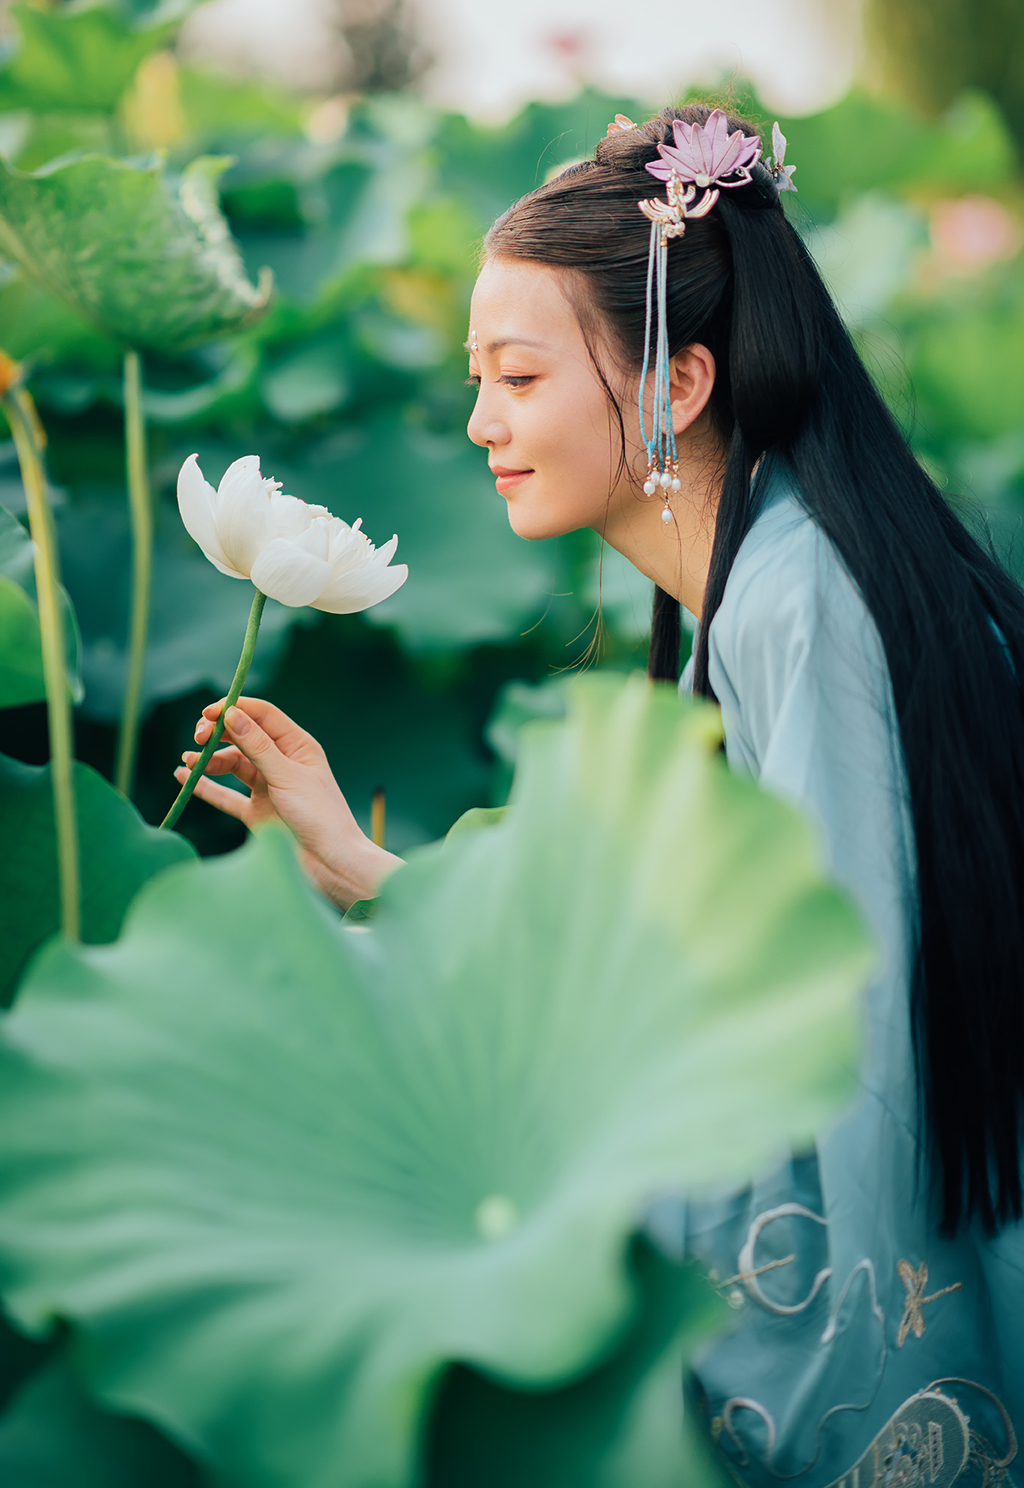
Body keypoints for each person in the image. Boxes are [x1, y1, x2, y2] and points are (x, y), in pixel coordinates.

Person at [175, 105, 1024, 1487]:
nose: (476, 423)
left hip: (881, 1229)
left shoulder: (805, 603)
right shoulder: (765, 576)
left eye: (515, 377)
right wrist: (362, 873)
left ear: (678, 383)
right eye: (474, 377)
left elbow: (852, 1054)